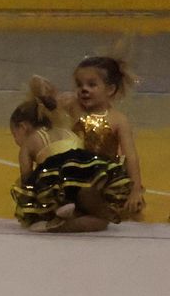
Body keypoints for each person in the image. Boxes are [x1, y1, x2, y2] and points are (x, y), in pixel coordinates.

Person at [10, 76, 129, 232]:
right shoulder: (67, 131)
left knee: (47, 192)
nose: (16, 140)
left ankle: (60, 215)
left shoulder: (29, 142)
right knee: (100, 221)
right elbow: (85, 155)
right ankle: (80, 211)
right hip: (86, 175)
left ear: (23, 127)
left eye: (14, 135)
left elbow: (26, 177)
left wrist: (33, 208)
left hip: (59, 180)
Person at [56, 55, 145, 218]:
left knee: (108, 203)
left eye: (92, 84)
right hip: (75, 173)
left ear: (110, 90)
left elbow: (131, 157)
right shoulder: (74, 107)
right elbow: (45, 98)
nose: (84, 89)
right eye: (79, 84)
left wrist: (135, 190)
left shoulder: (118, 120)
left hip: (104, 177)